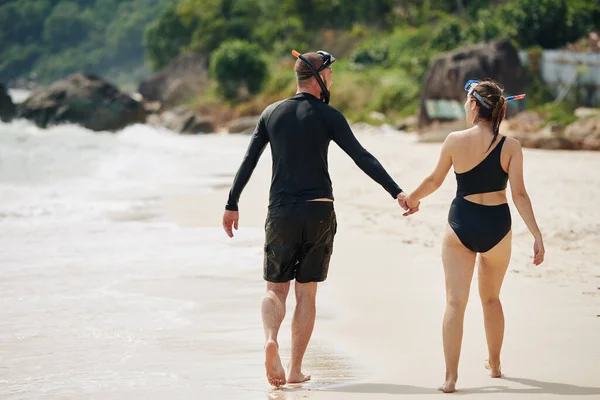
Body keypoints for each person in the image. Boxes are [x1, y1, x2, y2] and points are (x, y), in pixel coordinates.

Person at [221, 50, 412, 388]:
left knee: (275, 289)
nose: (333, 80)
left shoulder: (270, 113)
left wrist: (232, 202)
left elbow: (249, 160)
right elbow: (361, 157)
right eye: (331, 74)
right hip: (319, 210)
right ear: (319, 77)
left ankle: (270, 339)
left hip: (282, 212)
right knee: (306, 293)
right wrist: (395, 191)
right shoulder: (329, 116)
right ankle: (294, 370)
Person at [404, 79, 545, 393]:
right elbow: (520, 195)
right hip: (497, 225)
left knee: (455, 303)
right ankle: (494, 365)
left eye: (468, 101)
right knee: (492, 299)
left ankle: (451, 378)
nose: (465, 106)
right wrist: (536, 235)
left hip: (461, 224)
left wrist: (412, 199)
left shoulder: (454, 140)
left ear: (475, 105)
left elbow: (434, 180)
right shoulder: (511, 146)